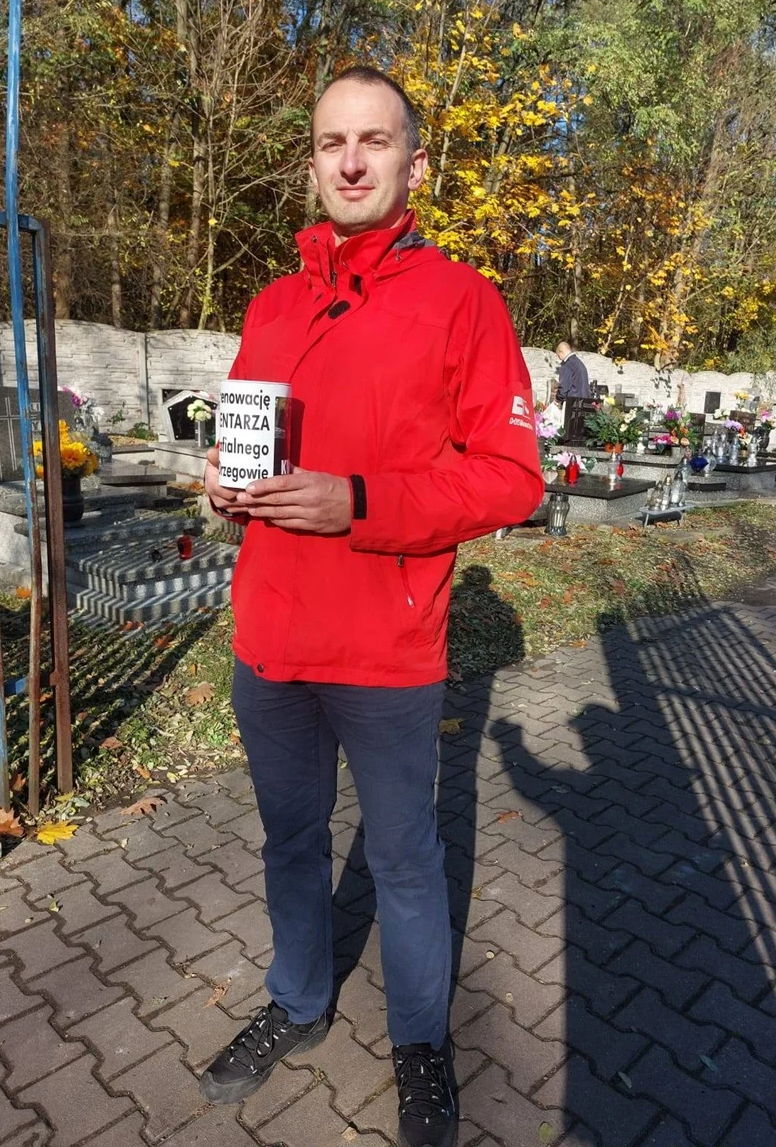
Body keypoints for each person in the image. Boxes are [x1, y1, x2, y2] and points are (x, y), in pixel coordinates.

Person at [200, 65, 543, 1147]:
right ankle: (299, 1000)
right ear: (312, 163)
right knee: (290, 843)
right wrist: (223, 487)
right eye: (330, 143)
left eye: (374, 141)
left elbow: (512, 479)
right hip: (271, 639)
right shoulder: (272, 304)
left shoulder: (463, 301)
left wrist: (357, 501)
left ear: (414, 164)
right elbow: (253, 448)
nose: (350, 162)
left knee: (402, 861)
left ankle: (421, 1044)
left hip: (387, 648)